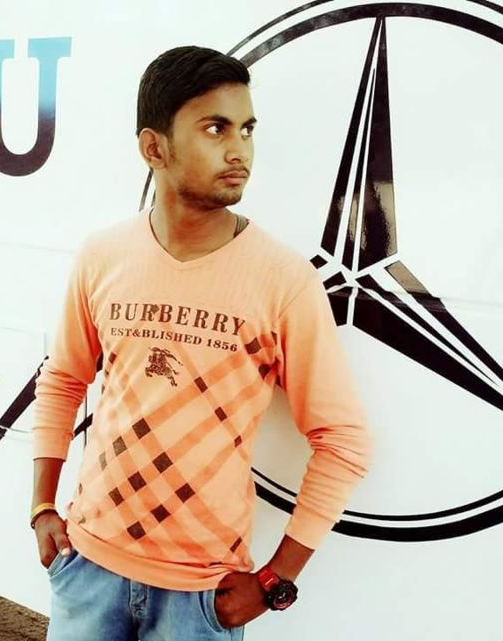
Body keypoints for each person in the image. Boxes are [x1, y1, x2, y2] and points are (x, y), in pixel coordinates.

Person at [31, 45, 373, 641]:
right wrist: (42, 507)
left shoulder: (283, 279)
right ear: (154, 148)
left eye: (247, 129)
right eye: (216, 128)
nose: (239, 150)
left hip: (201, 596)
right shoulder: (103, 256)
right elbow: (63, 379)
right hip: (86, 569)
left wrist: (276, 578)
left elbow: (342, 440)